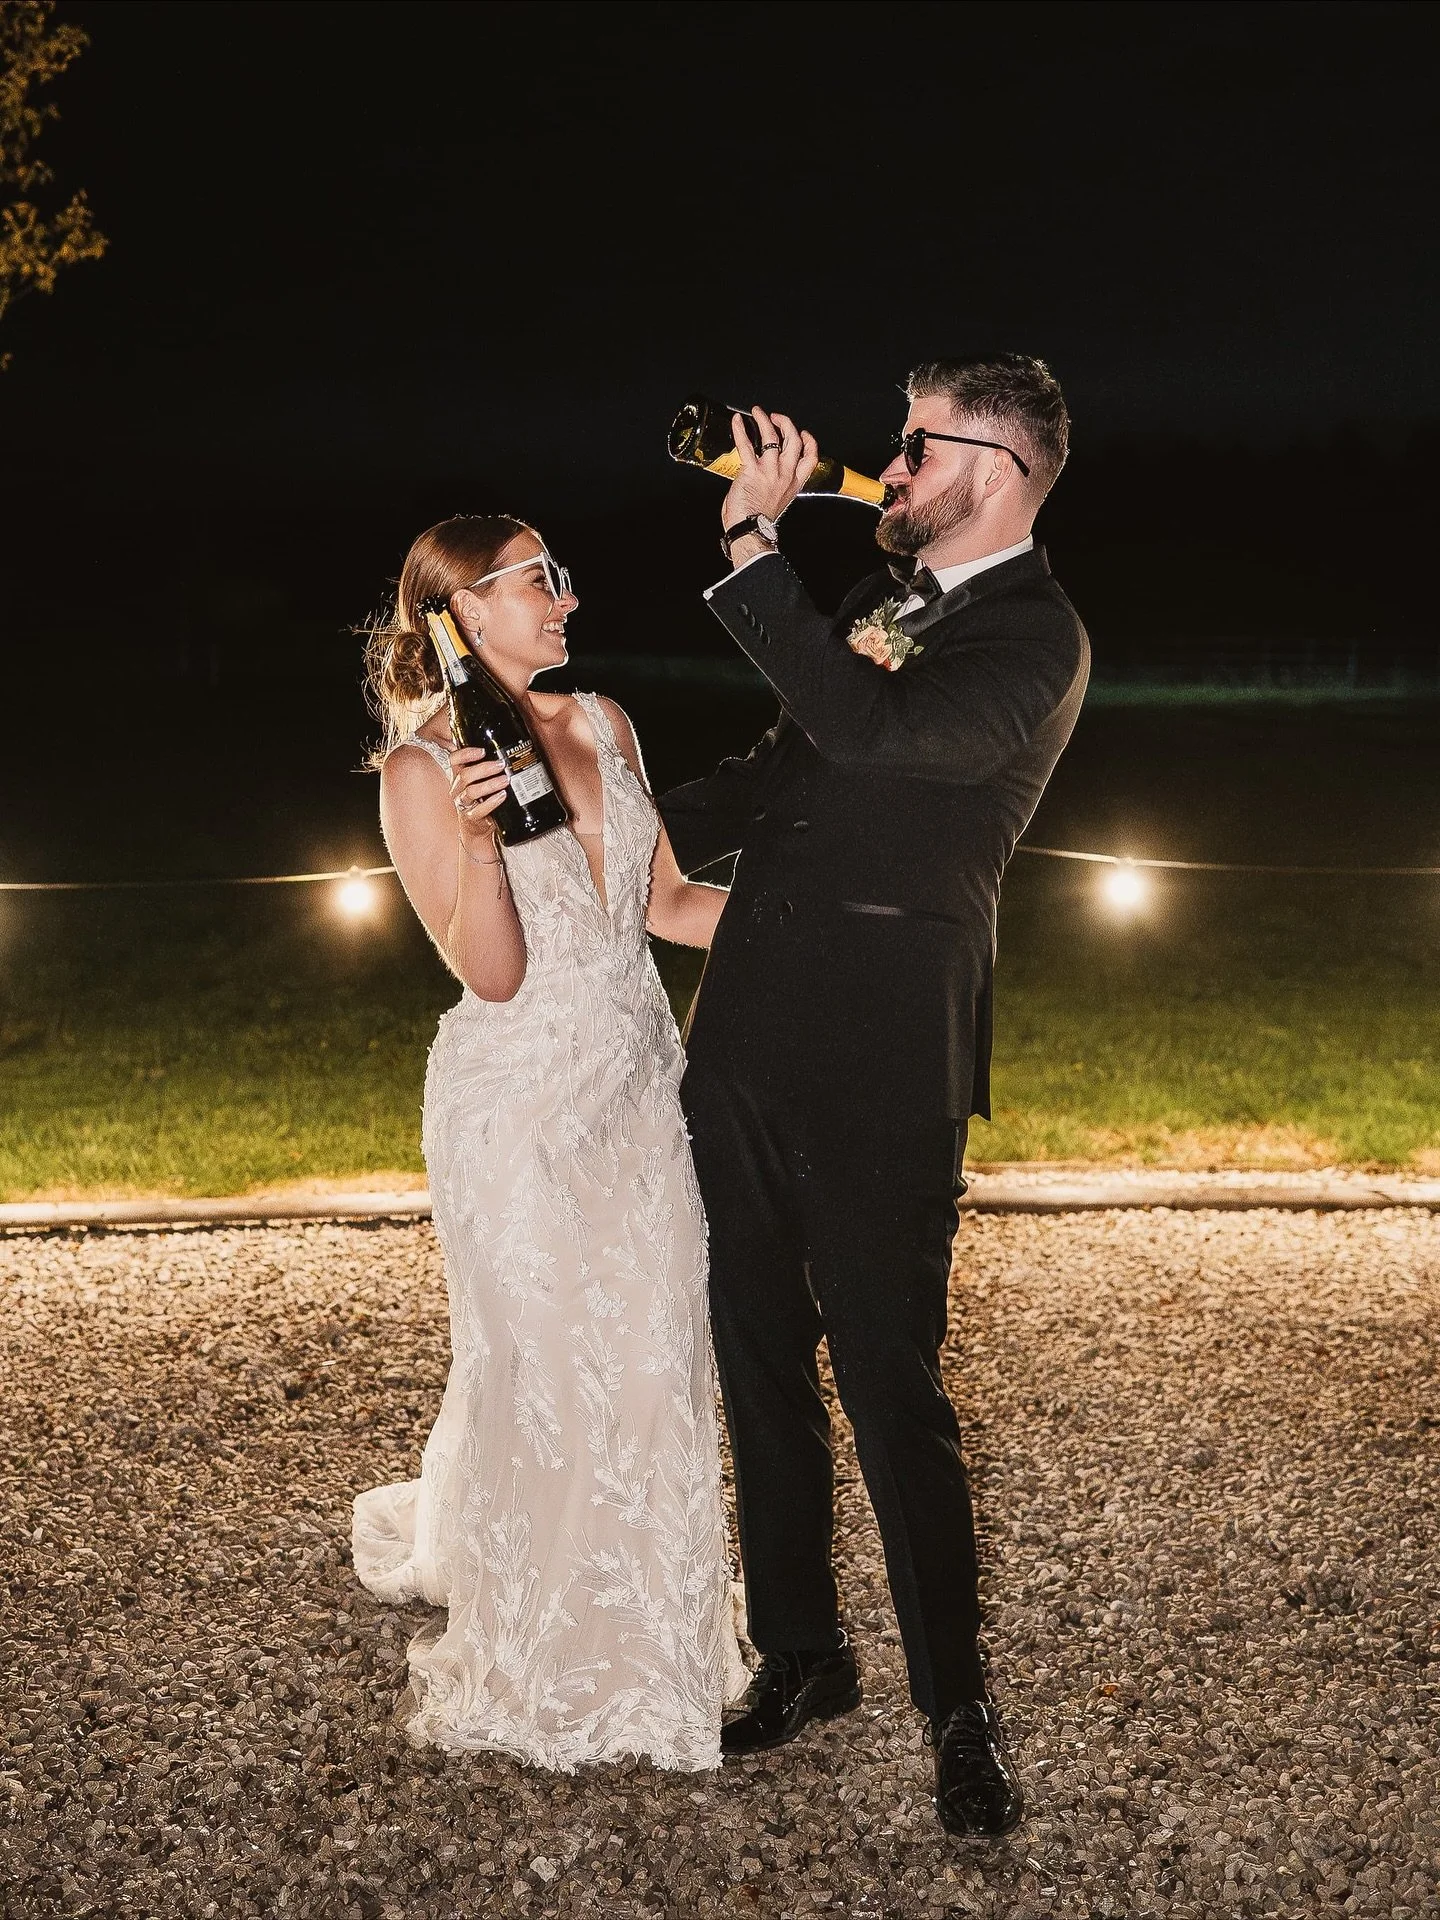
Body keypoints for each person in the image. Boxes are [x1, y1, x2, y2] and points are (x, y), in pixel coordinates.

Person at [658, 355, 1090, 1836]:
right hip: (748, 1027)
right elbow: (785, 768)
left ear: (1005, 464)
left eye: (917, 446)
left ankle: (956, 1712)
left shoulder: (1041, 640)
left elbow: (882, 736)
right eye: (894, 444)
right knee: (759, 1352)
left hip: (889, 1053)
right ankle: (802, 1657)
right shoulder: (876, 603)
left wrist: (751, 548)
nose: (888, 466)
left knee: (892, 1384)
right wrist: (590, 800)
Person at [352, 513, 747, 1772]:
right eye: (537, 583)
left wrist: (827, 929)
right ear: (458, 615)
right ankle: (545, 1650)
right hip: (516, 1107)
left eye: (560, 576)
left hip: (637, 1090)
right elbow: (498, 973)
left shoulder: (608, 721)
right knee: (542, 1365)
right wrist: (476, 840)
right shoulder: (423, 772)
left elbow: (670, 905)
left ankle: (659, 1632)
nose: (565, 599)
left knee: (649, 1349)